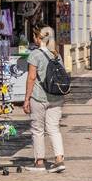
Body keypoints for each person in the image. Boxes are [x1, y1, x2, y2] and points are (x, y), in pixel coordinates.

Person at [24, 26, 65, 173]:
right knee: (54, 128)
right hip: (56, 96)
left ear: (38, 38)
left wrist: (26, 99)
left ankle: (39, 162)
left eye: (34, 37)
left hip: (39, 97)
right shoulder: (56, 54)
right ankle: (59, 160)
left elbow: (31, 78)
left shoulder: (34, 55)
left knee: (37, 129)